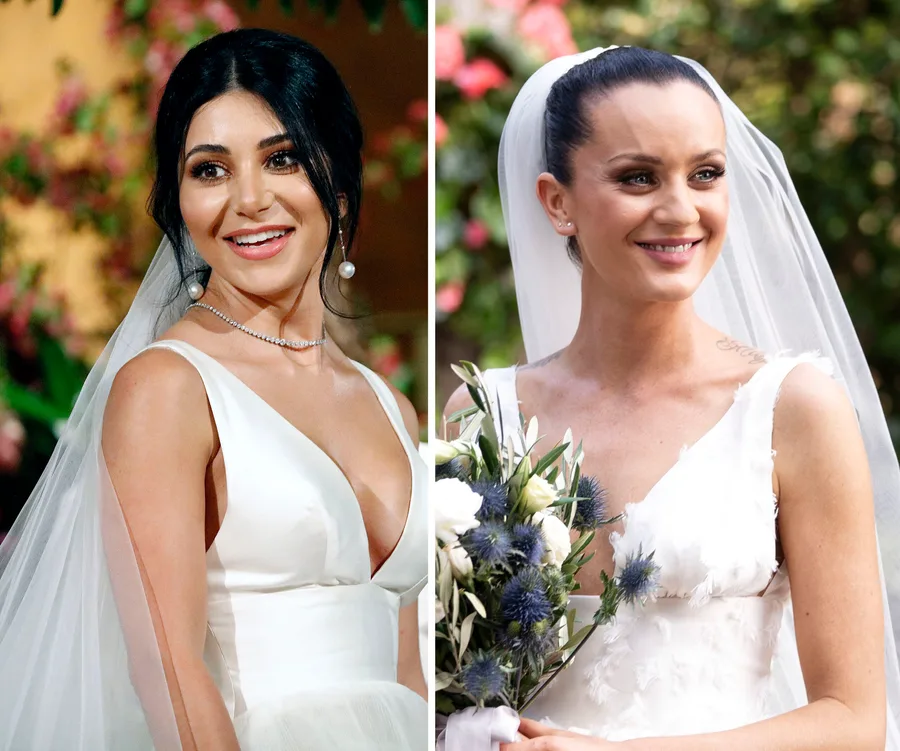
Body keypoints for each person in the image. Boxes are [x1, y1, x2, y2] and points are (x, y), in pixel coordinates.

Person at [444, 46, 900, 749]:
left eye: (706, 174)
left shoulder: (793, 408)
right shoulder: (483, 414)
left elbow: (853, 719)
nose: (681, 209)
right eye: (638, 177)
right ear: (556, 201)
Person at [0, 29, 426, 750]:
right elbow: (166, 662)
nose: (248, 199)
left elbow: (410, 669)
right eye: (210, 169)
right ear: (179, 202)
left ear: (341, 188)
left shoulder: (389, 403)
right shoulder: (167, 388)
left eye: (282, 158)